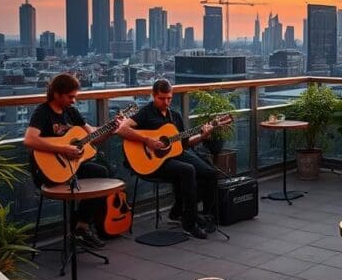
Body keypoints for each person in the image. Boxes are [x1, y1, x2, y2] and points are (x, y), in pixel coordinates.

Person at [118, 79, 217, 239]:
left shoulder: (175, 116)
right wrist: (147, 140)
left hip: (173, 155)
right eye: (162, 98)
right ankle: (189, 223)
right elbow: (122, 129)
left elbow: (184, 145)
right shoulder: (146, 112)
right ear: (154, 96)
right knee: (188, 170)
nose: (166, 102)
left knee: (209, 172)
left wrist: (202, 136)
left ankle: (202, 214)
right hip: (153, 161)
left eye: (169, 98)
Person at [23, 73, 111, 249]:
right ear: (56, 93)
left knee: (102, 174)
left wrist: (111, 129)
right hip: (47, 172)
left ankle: (81, 226)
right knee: (93, 178)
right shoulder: (43, 112)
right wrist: (63, 149)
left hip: (70, 168)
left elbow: (91, 136)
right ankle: (79, 229)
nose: (73, 101)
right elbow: (29, 140)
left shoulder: (71, 112)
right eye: (70, 97)